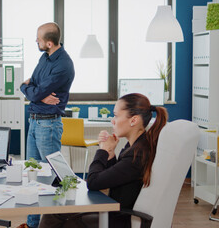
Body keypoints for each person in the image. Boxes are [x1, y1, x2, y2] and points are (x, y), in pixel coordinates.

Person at [39, 93, 168, 228]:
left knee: (58, 214)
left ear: (133, 120)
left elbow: (94, 182)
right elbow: (116, 178)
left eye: (116, 115)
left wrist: (103, 151)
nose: (113, 120)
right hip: (116, 211)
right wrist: (111, 153)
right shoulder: (136, 147)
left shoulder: (137, 155)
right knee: (57, 210)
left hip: (119, 218)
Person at [18, 22, 75, 228]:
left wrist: (32, 92)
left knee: (54, 178)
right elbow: (30, 84)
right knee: (32, 177)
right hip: (34, 122)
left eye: (39, 39)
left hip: (48, 126)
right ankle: (32, 224)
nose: (36, 41)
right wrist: (33, 92)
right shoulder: (45, 57)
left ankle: (56, 223)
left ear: (49, 43)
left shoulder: (63, 65)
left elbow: (33, 89)